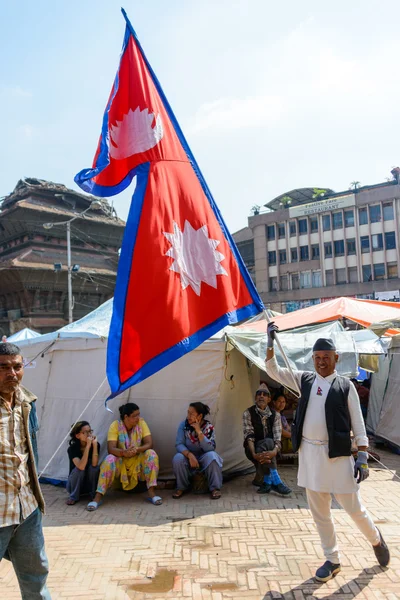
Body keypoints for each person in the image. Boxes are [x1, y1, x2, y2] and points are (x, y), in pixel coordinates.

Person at [266, 323, 390, 582]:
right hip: (310, 455)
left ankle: (376, 540)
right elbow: (273, 370)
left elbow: (358, 422)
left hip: (338, 457)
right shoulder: (305, 380)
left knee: (354, 509)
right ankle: (332, 559)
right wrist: (270, 343)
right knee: (320, 512)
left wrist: (363, 457)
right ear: (313, 359)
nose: (321, 362)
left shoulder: (345, 386)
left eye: (326, 358)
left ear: (336, 358)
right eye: (317, 358)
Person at [0, 342, 51, 599]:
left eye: (17, 366)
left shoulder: (27, 404)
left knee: (36, 578)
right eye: (4, 367)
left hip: (27, 509)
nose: (12, 373)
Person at [87, 402, 161, 510]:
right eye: (134, 416)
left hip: (137, 460)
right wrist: (124, 452)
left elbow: (149, 443)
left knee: (151, 454)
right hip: (121, 461)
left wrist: (137, 449)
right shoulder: (115, 426)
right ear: (126, 417)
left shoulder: (141, 423)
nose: (138, 418)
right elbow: (111, 448)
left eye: (138, 414)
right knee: (109, 459)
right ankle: (97, 498)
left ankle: (152, 493)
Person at [242, 383, 291, 495]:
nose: (261, 396)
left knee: (269, 442)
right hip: (252, 449)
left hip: (271, 450)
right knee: (267, 443)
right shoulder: (248, 413)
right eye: (259, 394)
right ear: (255, 398)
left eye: (265, 395)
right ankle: (276, 481)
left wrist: (274, 451)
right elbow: (249, 435)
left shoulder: (276, 415)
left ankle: (267, 482)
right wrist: (254, 453)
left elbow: (277, 438)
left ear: (269, 399)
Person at [172, 402, 223, 500]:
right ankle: (181, 487)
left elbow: (210, 448)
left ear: (199, 416)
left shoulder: (209, 428)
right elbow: (179, 444)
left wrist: (199, 432)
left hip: (204, 457)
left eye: (191, 414)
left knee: (213, 456)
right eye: (188, 413)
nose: (188, 416)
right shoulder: (184, 426)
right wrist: (190, 455)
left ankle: (215, 488)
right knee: (178, 458)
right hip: (188, 457)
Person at [66, 421, 100, 505]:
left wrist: (94, 445)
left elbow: (94, 464)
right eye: (85, 432)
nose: (89, 434)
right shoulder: (72, 449)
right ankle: (74, 496)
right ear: (77, 436)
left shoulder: (95, 445)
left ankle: (93, 494)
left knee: (94, 468)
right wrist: (88, 446)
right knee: (79, 470)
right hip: (74, 484)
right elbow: (81, 466)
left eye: (90, 431)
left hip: (87, 484)